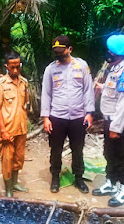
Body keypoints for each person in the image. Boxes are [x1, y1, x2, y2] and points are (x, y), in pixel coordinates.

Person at [41, 35, 95, 194]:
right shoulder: (51, 69)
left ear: (70, 49)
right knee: (56, 149)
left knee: (78, 148)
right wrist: (45, 117)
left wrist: (89, 113)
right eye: (56, 51)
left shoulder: (81, 66)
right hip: (57, 116)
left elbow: (88, 90)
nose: (58, 54)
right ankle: (55, 177)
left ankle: (78, 178)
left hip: (78, 116)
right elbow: (46, 94)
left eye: (62, 51)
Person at [92, 35, 124, 207]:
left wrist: (116, 128)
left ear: (117, 53)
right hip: (109, 119)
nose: (108, 53)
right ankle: (111, 183)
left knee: (121, 156)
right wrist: (102, 87)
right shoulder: (115, 68)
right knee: (109, 153)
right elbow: (115, 90)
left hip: (120, 121)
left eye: (111, 51)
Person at [0, 51, 29, 197]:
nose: (15, 70)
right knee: (7, 159)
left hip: (21, 128)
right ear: (6, 66)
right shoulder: (0, 84)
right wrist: (3, 130)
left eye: (17, 67)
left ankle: (15, 183)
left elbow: (25, 104)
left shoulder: (24, 82)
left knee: (18, 158)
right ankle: (8, 189)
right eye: (11, 67)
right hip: (7, 129)